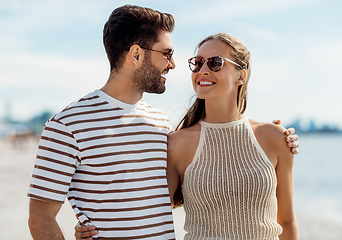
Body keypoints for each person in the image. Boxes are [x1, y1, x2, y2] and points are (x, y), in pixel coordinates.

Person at [28, 5, 299, 240]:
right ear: (136, 55)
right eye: (167, 54)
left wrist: (270, 139)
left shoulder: (160, 124)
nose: (173, 65)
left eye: (214, 62)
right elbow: (40, 215)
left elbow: (169, 197)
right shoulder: (67, 124)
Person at [166, 33, 299, 239]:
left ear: (241, 76)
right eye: (198, 63)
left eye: (215, 63)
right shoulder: (176, 143)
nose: (203, 71)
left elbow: (287, 221)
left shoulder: (274, 137)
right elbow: (150, 214)